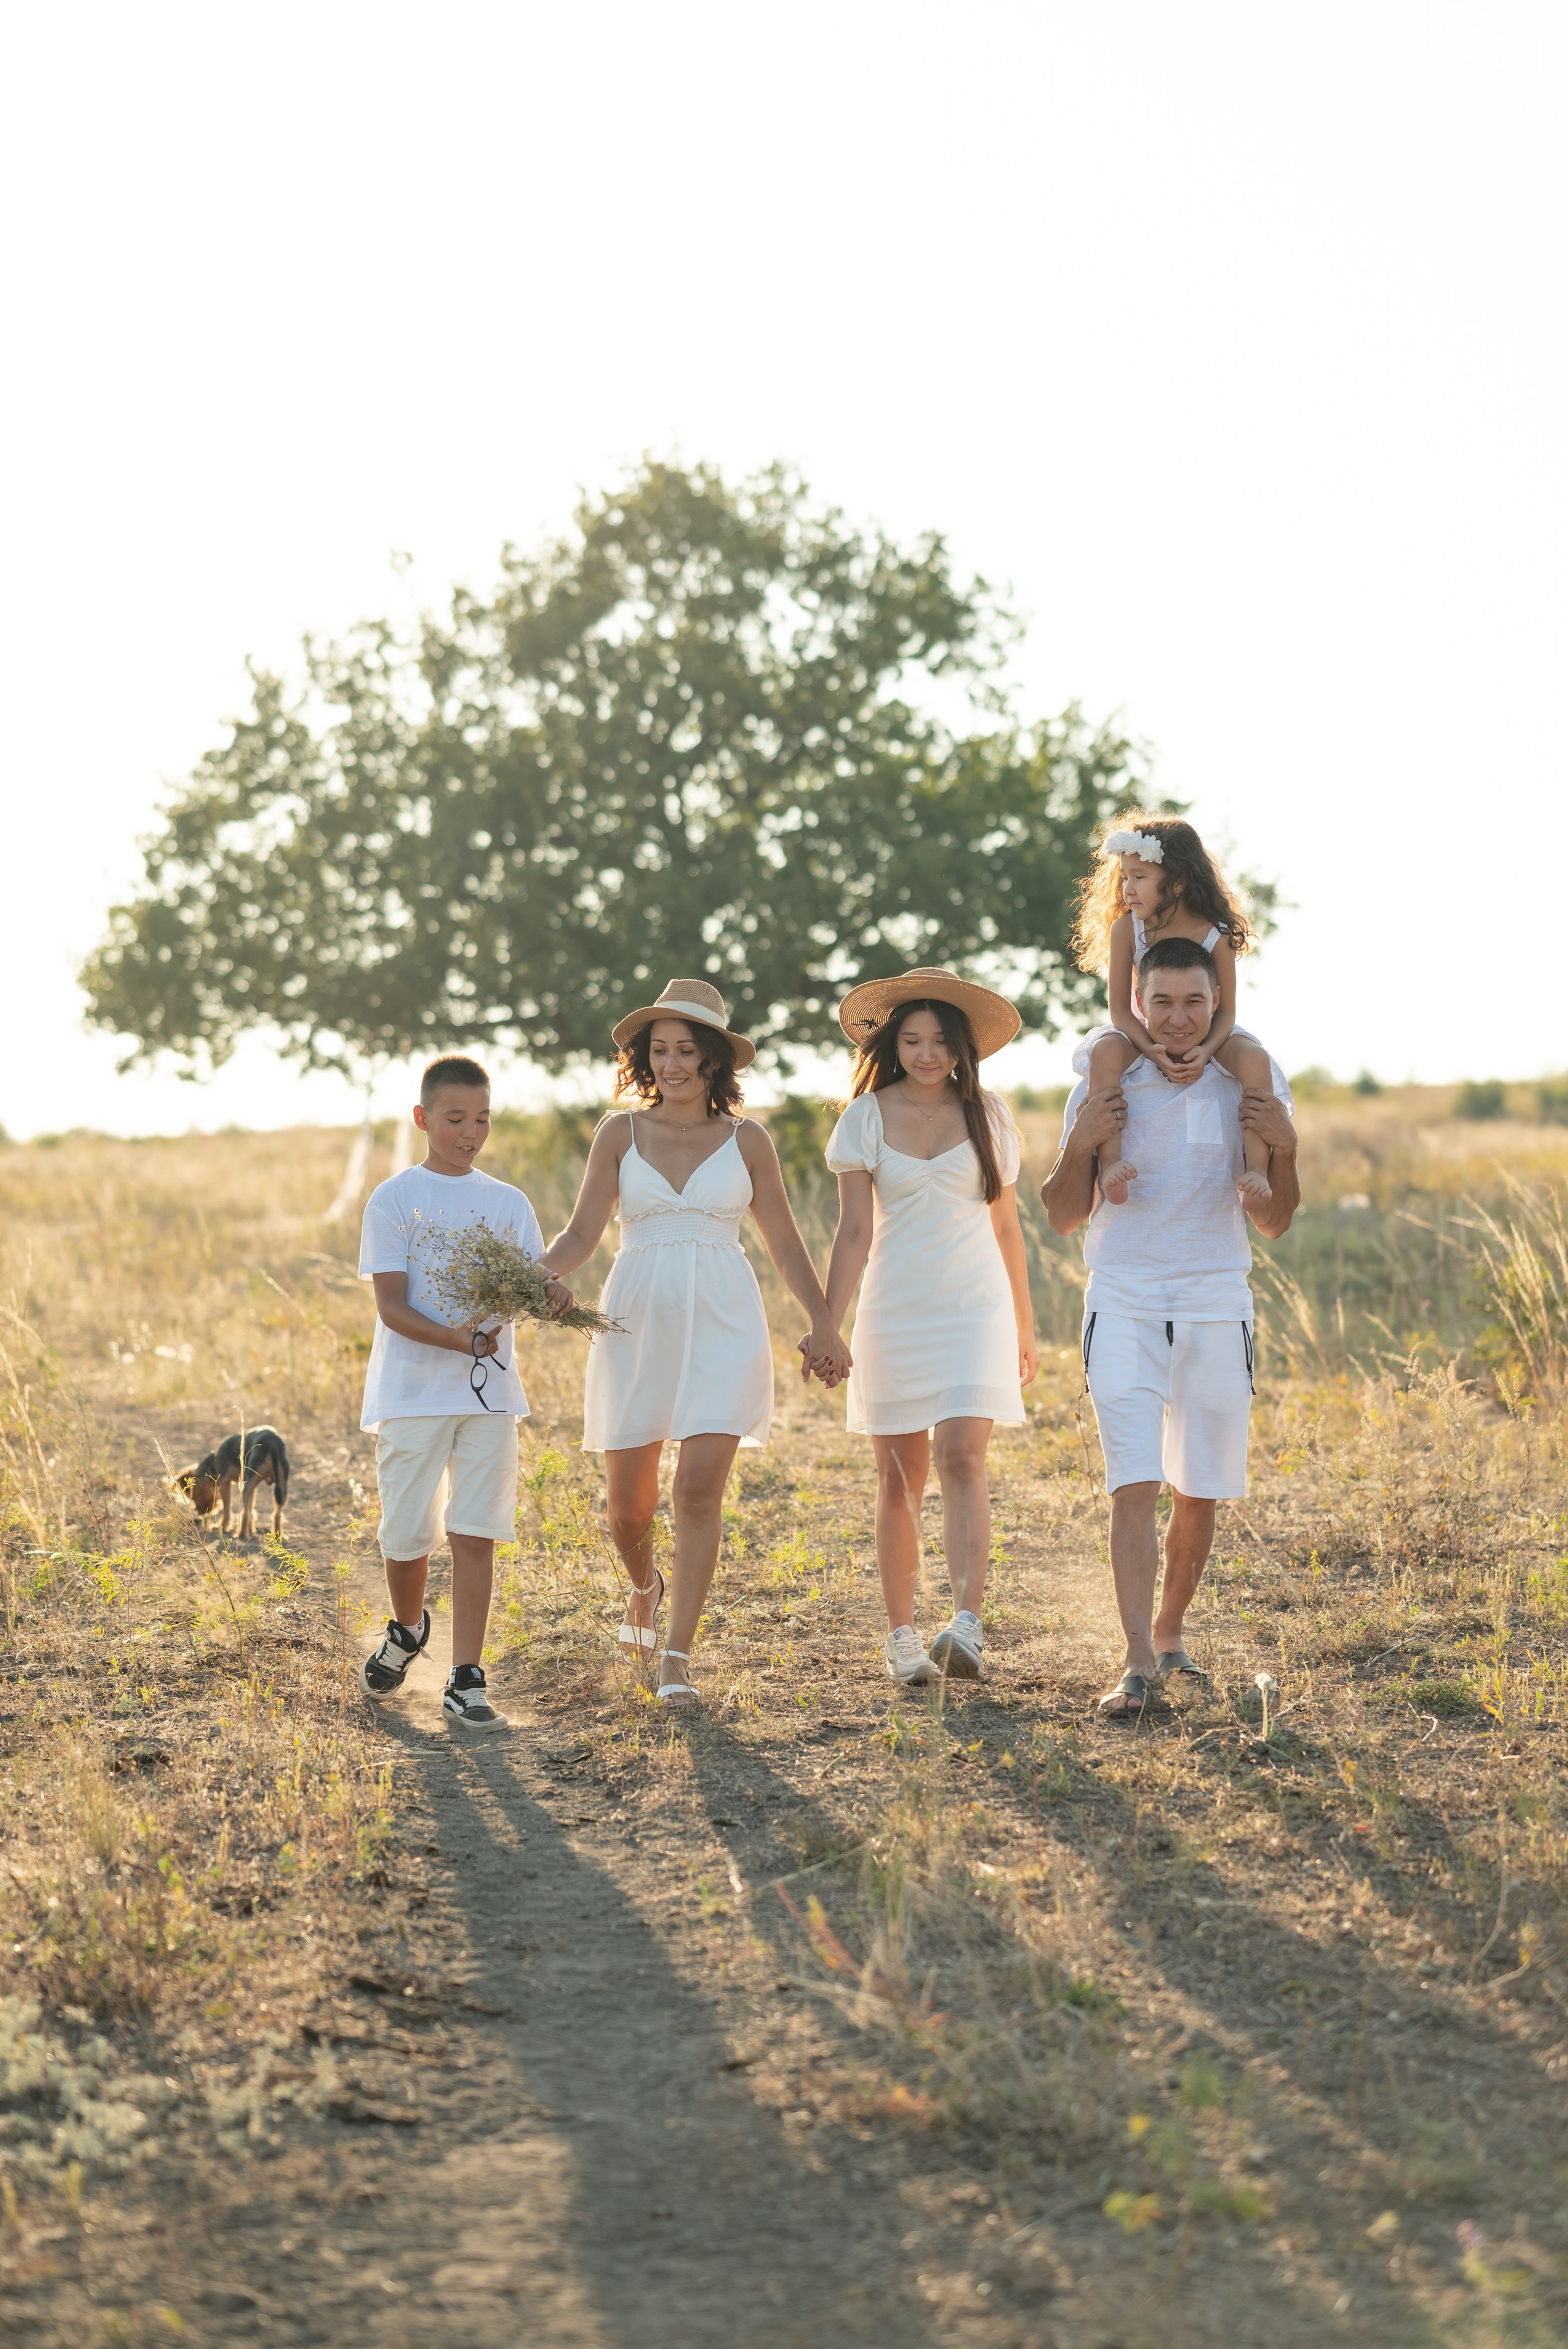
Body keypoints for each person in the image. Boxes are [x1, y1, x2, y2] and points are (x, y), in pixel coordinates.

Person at [540, 979, 850, 1708]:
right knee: (629, 1510)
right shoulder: (619, 1133)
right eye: (660, 1050)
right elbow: (583, 1233)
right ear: (645, 1059)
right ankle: (642, 1588)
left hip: (722, 1317)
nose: (672, 1063)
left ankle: (676, 1653)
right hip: (635, 1320)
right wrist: (535, 1275)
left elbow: (783, 1240)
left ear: (713, 1059)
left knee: (697, 1491)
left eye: (686, 1050)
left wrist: (824, 1321)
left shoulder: (749, 1140)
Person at [1040, 938, 1300, 1718]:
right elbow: (1059, 1215)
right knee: (1135, 1481)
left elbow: (1277, 1221)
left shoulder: (1249, 1076)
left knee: (1198, 1487)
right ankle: (1133, 1665)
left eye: (1193, 1001)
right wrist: (1083, 1142)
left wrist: (1283, 1150)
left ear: (1216, 1001)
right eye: (1162, 1002)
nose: (1178, 1018)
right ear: (1137, 1000)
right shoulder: (1108, 1074)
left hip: (1217, 1297)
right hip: (1120, 1295)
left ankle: (1169, 1631)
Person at [819, 970, 1038, 1687]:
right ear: (891, 1044)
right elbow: (853, 1232)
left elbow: (1008, 1227)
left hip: (976, 1308)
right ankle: (902, 1635)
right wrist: (828, 1322)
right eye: (911, 1040)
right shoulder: (863, 1118)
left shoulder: (990, 1114)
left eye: (940, 1041)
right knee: (898, 1476)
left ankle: (967, 1622)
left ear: (960, 1048)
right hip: (894, 1309)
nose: (925, 1054)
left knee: (962, 1456)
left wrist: (1024, 1326)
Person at [357, 1054, 571, 1730]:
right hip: (413, 1392)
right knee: (406, 1534)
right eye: (455, 1119)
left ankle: (466, 1676)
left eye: (482, 1119)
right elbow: (390, 1306)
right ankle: (408, 1626)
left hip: (489, 1395)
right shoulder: (394, 1199)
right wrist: (454, 1340)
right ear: (423, 1119)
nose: (470, 1133)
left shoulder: (508, 1202)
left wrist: (553, 1294)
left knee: (475, 1529)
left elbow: (529, 1284)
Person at [1071, 816, 1276, 1205]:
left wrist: (1208, 1050)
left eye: (1140, 877)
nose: (1128, 889)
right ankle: (1112, 1164)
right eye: (1125, 878)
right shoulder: (1126, 930)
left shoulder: (1216, 934)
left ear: (1177, 882)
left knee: (1254, 1060)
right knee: (1105, 1052)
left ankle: (1257, 1171)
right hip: (1143, 1029)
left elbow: (1227, 1012)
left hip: (1207, 1029)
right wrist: (1150, 1049)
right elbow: (1119, 1009)